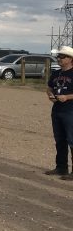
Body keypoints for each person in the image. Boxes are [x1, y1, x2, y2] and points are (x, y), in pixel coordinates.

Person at [46, 45, 73, 179]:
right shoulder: (56, 73)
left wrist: (67, 97)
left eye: (62, 56)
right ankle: (61, 167)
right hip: (57, 110)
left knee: (72, 140)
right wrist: (50, 94)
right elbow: (49, 87)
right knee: (60, 140)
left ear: (70, 58)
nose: (59, 59)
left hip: (70, 111)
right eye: (58, 56)